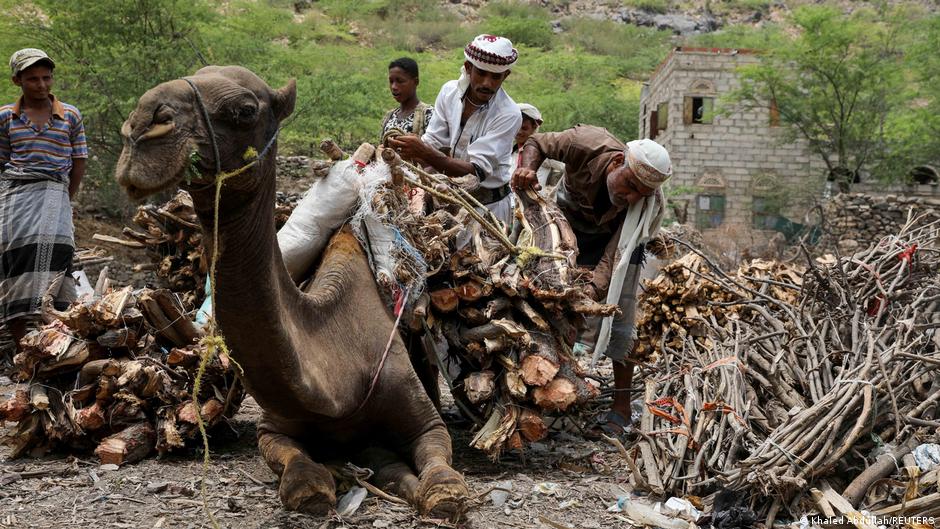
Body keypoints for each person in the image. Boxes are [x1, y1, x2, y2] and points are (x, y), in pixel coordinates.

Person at [511, 125, 671, 438]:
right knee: (550, 310)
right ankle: (552, 396)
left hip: (622, 240)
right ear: (616, 164)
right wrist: (527, 170)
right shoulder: (587, 143)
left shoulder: (640, 208)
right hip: (568, 222)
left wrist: (588, 292)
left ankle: (621, 411)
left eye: (642, 193)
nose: (632, 196)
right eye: (630, 185)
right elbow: (536, 142)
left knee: (621, 316)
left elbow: (614, 258)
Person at [0, 48, 87, 354]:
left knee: (58, 259)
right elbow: (2, 162)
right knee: (15, 264)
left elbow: (78, 161)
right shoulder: (5, 117)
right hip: (15, 199)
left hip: (55, 196)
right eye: (33, 79)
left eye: (46, 78)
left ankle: (57, 337)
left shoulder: (70, 116)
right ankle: (23, 345)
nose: (41, 85)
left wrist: (65, 197)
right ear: (17, 81)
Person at [388, 34, 521, 231]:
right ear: (468, 68)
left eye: (495, 77)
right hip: (450, 203)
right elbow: (433, 141)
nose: (487, 83)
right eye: (481, 73)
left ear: (506, 75)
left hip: (488, 211)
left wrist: (422, 151)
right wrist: (405, 152)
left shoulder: (509, 114)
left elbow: (474, 172)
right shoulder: (449, 92)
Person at [510, 103, 564, 192]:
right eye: (516, 127)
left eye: (524, 128)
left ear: (534, 127)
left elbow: (566, 168)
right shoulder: (510, 153)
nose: (519, 132)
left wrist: (553, 194)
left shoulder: (542, 153)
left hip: (537, 203)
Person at [380, 57, 433, 143]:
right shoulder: (389, 116)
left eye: (400, 81)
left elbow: (433, 150)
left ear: (415, 82)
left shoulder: (428, 114)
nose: (394, 87)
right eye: (391, 81)